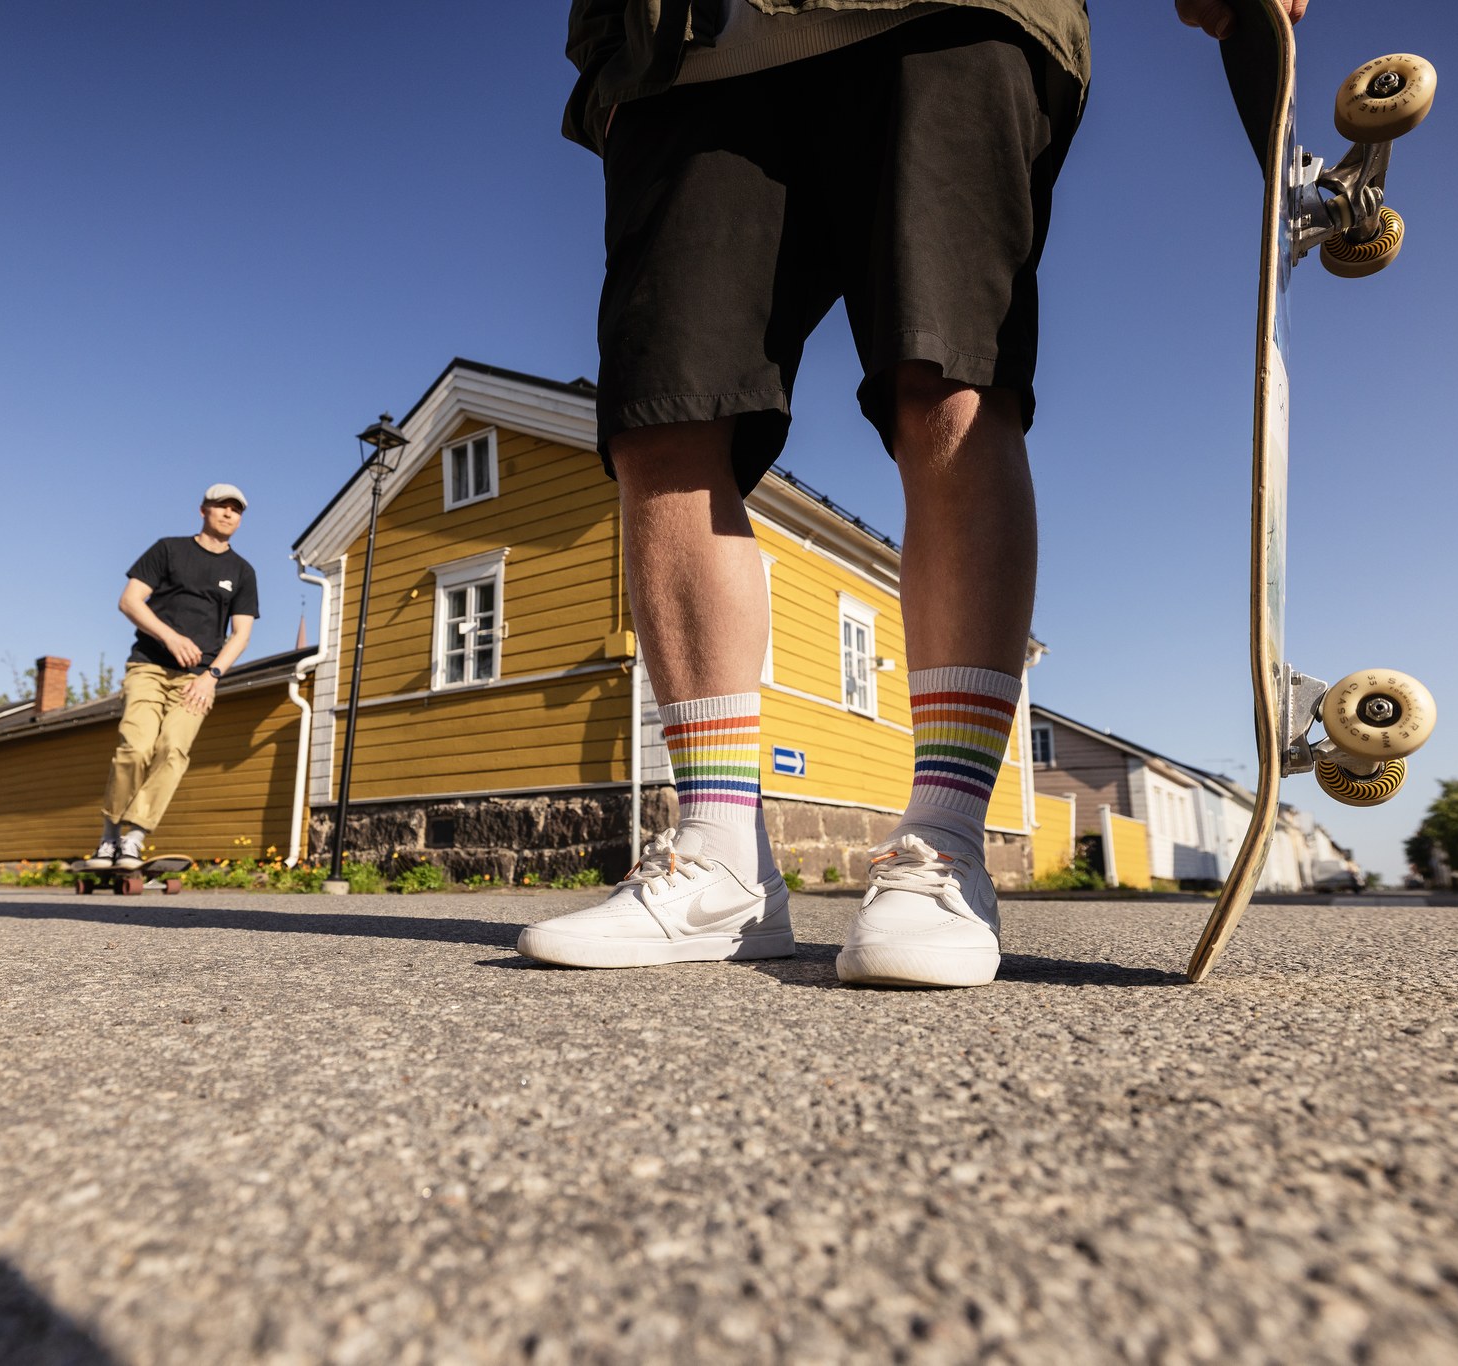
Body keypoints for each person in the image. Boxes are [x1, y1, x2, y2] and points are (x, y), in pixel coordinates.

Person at [518, 0, 1301, 986]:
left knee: (946, 389)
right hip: (682, 47)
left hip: (950, 12)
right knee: (663, 422)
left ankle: (942, 845)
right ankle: (717, 858)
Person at [85, 484, 259, 870]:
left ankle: (133, 837)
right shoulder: (168, 550)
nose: (229, 514)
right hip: (149, 666)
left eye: (236, 509)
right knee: (136, 746)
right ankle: (109, 835)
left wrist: (211, 677)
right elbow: (129, 600)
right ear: (203, 510)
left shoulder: (242, 572)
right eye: (221, 506)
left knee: (173, 750)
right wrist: (170, 636)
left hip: (197, 680)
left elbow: (242, 634)